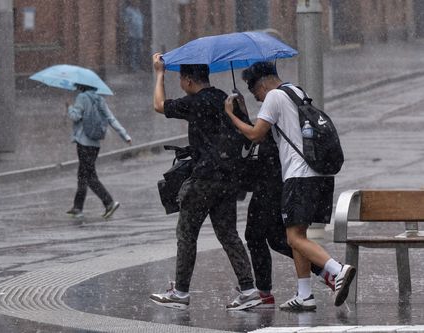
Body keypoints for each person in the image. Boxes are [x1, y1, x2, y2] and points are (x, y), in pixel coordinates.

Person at [224, 62, 356, 311]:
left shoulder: (273, 96)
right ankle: (304, 294)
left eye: (256, 95)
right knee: (297, 236)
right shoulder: (296, 91)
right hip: (317, 174)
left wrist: (232, 115)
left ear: (262, 85)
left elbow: (255, 135)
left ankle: (337, 270)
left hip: (299, 176)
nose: (259, 100)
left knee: (293, 237)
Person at [149, 53, 258, 311]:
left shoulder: (193, 102)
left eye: (180, 79)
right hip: (229, 179)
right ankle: (249, 289)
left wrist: (159, 73)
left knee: (186, 234)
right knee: (228, 234)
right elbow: (250, 134)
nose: (180, 84)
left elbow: (159, 105)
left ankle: (181, 292)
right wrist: (242, 107)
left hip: (203, 179)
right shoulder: (226, 99)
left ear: (188, 80)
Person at [243, 130, 335, 308]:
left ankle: (265, 293)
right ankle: (324, 272)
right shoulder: (282, 104)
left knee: (262, 236)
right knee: (276, 239)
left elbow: (256, 133)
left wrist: (233, 115)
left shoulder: (275, 102)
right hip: (278, 176)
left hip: (274, 178)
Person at [66, 83, 132, 219]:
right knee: (83, 174)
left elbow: (75, 117)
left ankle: (109, 202)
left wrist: (69, 107)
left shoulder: (81, 97)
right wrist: (125, 135)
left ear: (81, 86)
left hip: (83, 142)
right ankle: (77, 207)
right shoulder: (100, 99)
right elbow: (111, 118)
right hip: (95, 144)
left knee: (89, 176)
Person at [123, 1, 144, 72]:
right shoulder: (128, 10)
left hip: (139, 34)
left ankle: (137, 67)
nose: (138, 3)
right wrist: (127, 31)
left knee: (138, 51)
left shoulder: (138, 10)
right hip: (132, 34)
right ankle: (133, 67)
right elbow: (126, 21)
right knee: (133, 51)